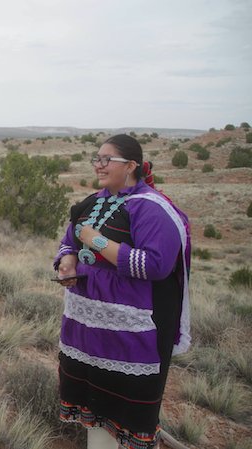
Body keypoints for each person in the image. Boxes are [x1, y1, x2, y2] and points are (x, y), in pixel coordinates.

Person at [53, 134, 191, 449]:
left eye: (106, 160)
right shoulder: (92, 202)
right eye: (96, 159)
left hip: (129, 331)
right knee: (94, 402)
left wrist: (96, 241)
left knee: (126, 409)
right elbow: (68, 243)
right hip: (86, 326)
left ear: (130, 165)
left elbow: (157, 264)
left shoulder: (151, 208)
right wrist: (67, 261)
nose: (99, 165)